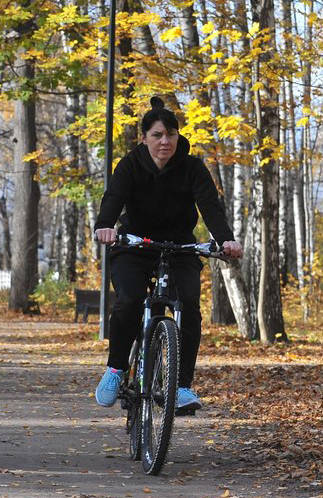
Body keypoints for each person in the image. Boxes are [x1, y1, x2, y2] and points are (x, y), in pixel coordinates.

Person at [93, 97, 243, 412]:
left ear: (178, 136)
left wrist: (226, 240)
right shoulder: (131, 164)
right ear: (144, 138)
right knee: (130, 300)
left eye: (171, 134)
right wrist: (105, 226)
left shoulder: (191, 167)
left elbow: (209, 206)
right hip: (134, 244)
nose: (165, 141)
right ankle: (116, 370)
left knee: (188, 306)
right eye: (157, 135)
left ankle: (181, 386)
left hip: (179, 247)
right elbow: (114, 196)